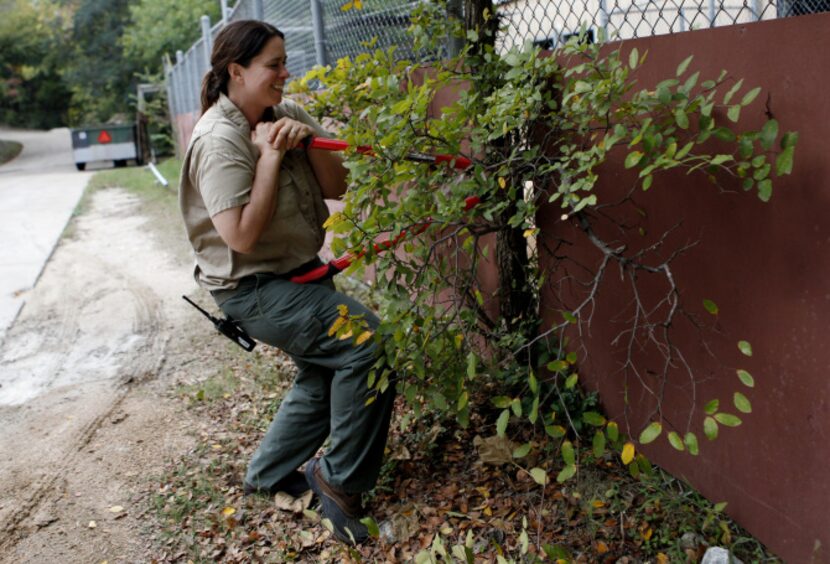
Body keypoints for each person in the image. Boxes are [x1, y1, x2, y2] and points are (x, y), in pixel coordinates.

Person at [178, 19, 395, 545]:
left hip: (299, 275)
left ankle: (269, 474)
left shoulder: (288, 113)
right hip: (253, 288)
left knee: (323, 373)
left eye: (284, 61)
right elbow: (243, 237)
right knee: (367, 343)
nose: (284, 72)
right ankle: (338, 483)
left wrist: (305, 140)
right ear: (237, 71)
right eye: (273, 64)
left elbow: (337, 184)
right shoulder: (219, 140)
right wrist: (270, 156)